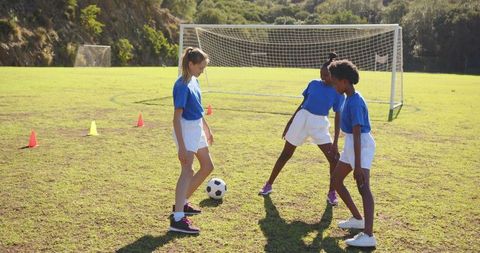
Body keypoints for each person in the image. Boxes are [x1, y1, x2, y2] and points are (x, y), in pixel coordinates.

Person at [259, 53, 344, 206]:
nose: (323, 78)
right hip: (302, 120)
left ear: (334, 75)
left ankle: (332, 192)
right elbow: (302, 104)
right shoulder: (313, 84)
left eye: (326, 75)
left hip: (319, 124)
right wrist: (290, 122)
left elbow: (338, 117)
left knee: (334, 159)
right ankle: (268, 184)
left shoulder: (338, 92)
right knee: (286, 154)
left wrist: (336, 140)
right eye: (321, 74)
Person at [328, 59, 376, 247]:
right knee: (336, 180)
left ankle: (369, 235)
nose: (333, 85)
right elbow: (350, 133)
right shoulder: (349, 98)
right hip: (352, 143)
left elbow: (357, 134)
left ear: (345, 81)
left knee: (363, 187)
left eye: (335, 82)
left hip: (361, 145)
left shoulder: (355, 102)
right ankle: (358, 219)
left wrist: (357, 166)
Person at [170, 47, 214, 234]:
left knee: (207, 166)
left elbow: (198, 108)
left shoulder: (194, 80)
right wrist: (181, 146)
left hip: (196, 127)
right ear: (191, 64)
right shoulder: (182, 85)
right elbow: (176, 119)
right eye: (200, 67)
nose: (202, 70)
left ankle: (182, 202)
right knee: (187, 170)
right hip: (186, 129)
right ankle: (177, 218)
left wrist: (206, 127)